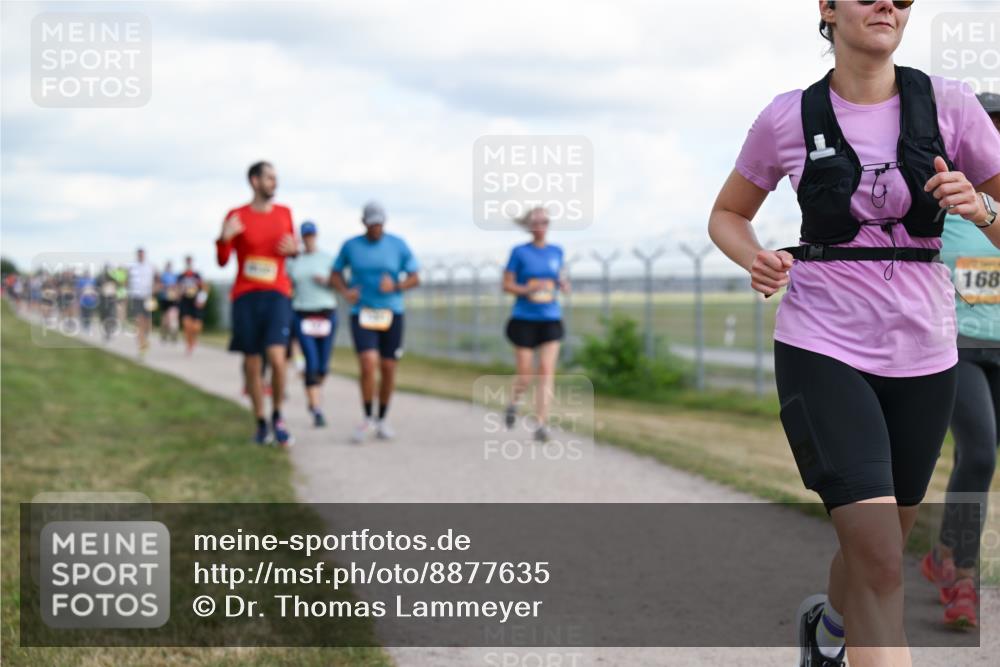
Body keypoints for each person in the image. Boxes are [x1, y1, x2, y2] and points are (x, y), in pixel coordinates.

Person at [706, 2, 1000, 666]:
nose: (888, 4)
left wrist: (983, 208)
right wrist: (752, 254)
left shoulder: (951, 106)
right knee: (883, 563)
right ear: (828, 8)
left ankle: (829, 628)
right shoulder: (786, 117)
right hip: (822, 346)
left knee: (879, 551)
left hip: (926, 356)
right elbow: (727, 213)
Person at [920, 92, 1000, 630]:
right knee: (978, 451)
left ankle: (944, 552)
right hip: (957, 349)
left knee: (980, 456)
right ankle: (963, 583)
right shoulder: (939, 200)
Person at [216, 161, 298, 446]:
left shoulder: (285, 213)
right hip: (246, 296)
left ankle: (278, 415)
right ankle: (260, 422)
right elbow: (223, 259)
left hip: (277, 293)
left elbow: (292, 248)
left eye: (276, 178)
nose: (274, 182)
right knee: (252, 364)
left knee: (277, 358)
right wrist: (224, 238)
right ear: (254, 181)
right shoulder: (236, 215)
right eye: (269, 178)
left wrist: (295, 250)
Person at [330, 202, 419, 443]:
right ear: (364, 223)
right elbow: (335, 274)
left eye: (379, 224)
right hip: (363, 312)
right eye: (371, 224)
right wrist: (345, 292)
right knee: (368, 363)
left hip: (392, 313)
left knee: (388, 367)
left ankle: (382, 418)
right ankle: (367, 416)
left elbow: (415, 277)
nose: (376, 228)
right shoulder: (351, 246)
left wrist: (397, 286)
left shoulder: (398, 245)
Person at [501, 206, 569, 443]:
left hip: (550, 317)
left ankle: (541, 423)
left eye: (545, 222)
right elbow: (507, 284)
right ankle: (513, 403)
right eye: (536, 222)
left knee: (547, 371)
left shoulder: (557, 251)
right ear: (529, 226)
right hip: (524, 319)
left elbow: (559, 278)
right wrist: (527, 289)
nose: (540, 226)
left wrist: (562, 285)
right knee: (526, 374)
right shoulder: (519, 252)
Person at [287, 220, 338, 427]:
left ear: (316, 236)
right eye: (305, 236)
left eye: (311, 235)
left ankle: (314, 390)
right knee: (311, 362)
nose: (308, 239)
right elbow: (287, 284)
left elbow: (341, 282)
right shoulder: (294, 262)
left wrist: (327, 282)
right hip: (303, 315)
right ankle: (316, 408)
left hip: (326, 314)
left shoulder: (327, 259)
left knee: (323, 366)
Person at [127, 247, 156, 358]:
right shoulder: (132, 267)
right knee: (139, 322)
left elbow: (157, 280)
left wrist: (155, 289)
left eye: (142, 254)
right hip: (136, 297)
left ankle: (145, 339)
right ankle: (141, 347)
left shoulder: (151, 267)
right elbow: (126, 280)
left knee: (148, 323)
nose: (141, 256)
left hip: (148, 297)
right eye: (139, 255)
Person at [178, 255, 208, 355]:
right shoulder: (181, 276)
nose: (188, 264)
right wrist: (179, 293)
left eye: (190, 262)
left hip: (196, 303)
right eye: (187, 262)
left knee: (196, 327)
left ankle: (194, 339)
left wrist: (202, 299)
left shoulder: (197, 276)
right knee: (187, 325)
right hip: (185, 302)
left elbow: (204, 288)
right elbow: (177, 289)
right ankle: (189, 344)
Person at [157, 261, 180, 343]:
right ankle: (164, 334)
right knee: (165, 319)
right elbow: (159, 286)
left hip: (173, 299)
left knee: (173, 317)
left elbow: (177, 286)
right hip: (165, 299)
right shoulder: (163, 276)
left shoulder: (175, 276)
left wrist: (177, 293)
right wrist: (166, 287)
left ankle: (174, 334)